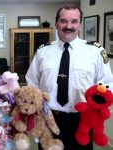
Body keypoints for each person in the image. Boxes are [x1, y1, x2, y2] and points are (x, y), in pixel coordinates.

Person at [25, 5, 113, 150]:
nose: (68, 26)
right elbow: (32, 83)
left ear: (80, 24)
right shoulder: (43, 52)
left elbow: (107, 84)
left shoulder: (95, 52)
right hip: (49, 118)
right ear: (56, 23)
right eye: (64, 21)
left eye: (74, 21)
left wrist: (98, 108)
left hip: (82, 120)